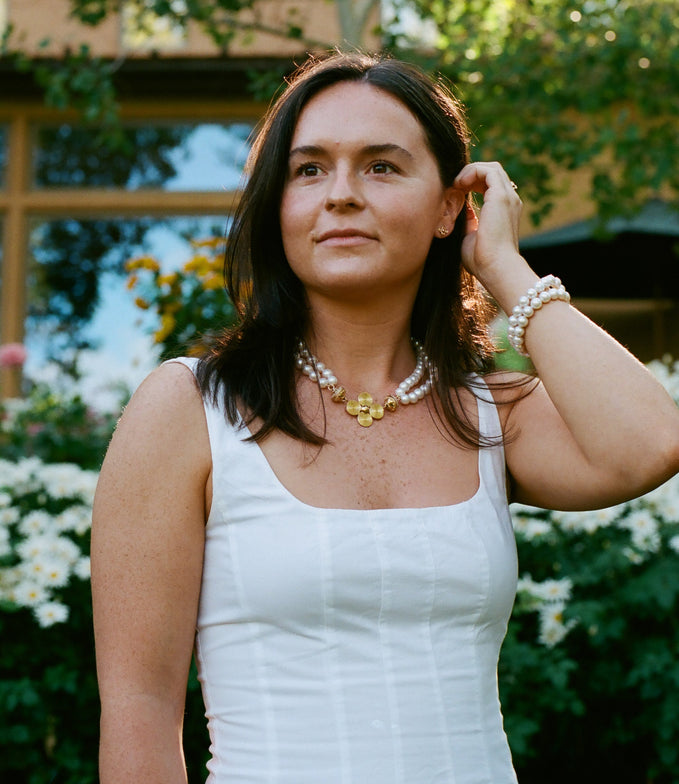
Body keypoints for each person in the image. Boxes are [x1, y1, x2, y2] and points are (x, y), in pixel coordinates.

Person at [91, 51, 679, 784]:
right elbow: (141, 710)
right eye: (308, 170)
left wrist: (501, 267)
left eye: (380, 166)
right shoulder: (188, 409)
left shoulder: (492, 412)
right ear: (277, 205)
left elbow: (652, 442)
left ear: (446, 208)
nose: (339, 195)